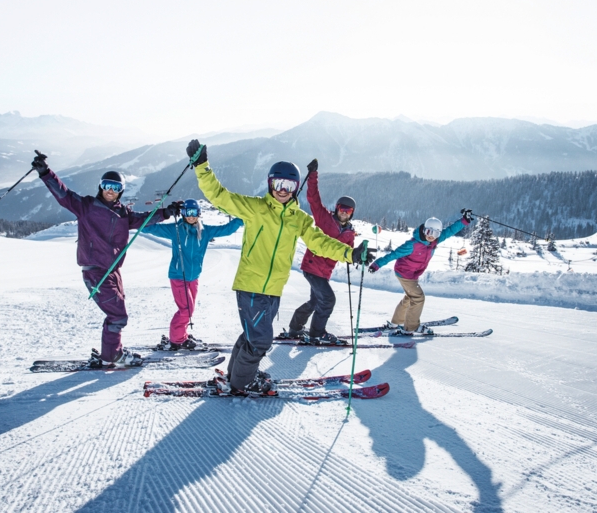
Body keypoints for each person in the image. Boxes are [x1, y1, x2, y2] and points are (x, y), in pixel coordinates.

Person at [185, 139, 374, 396]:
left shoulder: (299, 220)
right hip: (250, 286)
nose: (282, 190)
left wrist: (350, 253)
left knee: (252, 335)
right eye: (278, 184)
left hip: (273, 289)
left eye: (288, 185)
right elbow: (219, 196)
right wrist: (201, 166)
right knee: (261, 340)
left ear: (295, 188)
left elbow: (320, 243)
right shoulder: (255, 209)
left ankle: (236, 375)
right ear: (270, 183)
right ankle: (241, 384)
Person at [31, 153, 181, 366]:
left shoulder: (123, 213)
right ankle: (112, 356)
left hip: (112, 271)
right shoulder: (86, 206)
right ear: (100, 186)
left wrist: (167, 212)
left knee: (116, 313)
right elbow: (63, 195)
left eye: (115, 187)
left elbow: (144, 219)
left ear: (121, 191)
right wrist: (46, 173)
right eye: (106, 185)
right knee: (118, 315)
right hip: (95, 271)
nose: (110, 190)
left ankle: (111, 351)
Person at [143, 199, 242, 350]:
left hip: (193, 277)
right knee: (186, 309)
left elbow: (226, 230)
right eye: (187, 213)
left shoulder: (205, 231)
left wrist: (242, 218)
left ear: (199, 214)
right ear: (182, 214)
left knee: (189, 309)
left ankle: (180, 333)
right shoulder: (176, 229)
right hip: (178, 275)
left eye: (194, 213)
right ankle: (177, 340)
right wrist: (161, 215)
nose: (191, 216)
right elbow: (149, 228)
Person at [368, 210, 473, 333]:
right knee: (418, 298)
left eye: (436, 233)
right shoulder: (412, 244)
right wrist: (377, 264)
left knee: (410, 297)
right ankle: (411, 327)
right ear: (424, 230)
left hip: (413, 274)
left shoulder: (434, 241)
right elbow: (393, 254)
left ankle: (394, 323)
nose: (431, 236)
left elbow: (450, 231)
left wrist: (464, 221)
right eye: (429, 231)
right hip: (404, 273)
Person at [287, 158, 356, 344]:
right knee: (327, 300)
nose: (344, 212)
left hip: (325, 272)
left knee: (316, 302)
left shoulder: (350, 233)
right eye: (342, 208)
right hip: (312, 266)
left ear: (352, 213)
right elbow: (313, 198)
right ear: (337, 208)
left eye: (348, 211)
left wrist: (357, 255)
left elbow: (348, 253)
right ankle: (316, 334)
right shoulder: (324, 218)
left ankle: (295, 327)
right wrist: (313, 175)